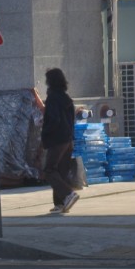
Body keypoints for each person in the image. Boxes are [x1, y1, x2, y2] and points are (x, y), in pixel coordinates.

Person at [40, 67, 79, 214]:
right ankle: (60, 204)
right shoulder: (66, 98)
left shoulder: (52, 98)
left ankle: (68, 194)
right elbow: (71, 120)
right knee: (61, 172)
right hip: (68, 139)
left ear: (50, 81)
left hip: (57, 139)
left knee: (49, 170)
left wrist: (45, 133)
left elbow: (53, 120)